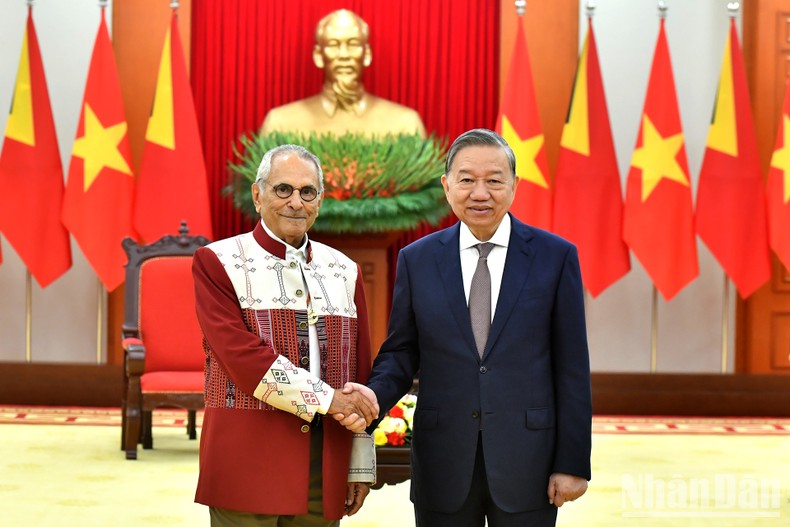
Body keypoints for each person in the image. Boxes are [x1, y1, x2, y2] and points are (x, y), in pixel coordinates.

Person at [338, 128, 592, 526]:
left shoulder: (554, 257)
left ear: (514, 186)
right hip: (444, 460)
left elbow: (572, 367)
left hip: (529, 460)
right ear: (446, 185)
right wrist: (371, 398)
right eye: (467, 180)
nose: (480, 193)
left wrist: (573, 462)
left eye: (494, 180)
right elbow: (402, 353)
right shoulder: (417, 260)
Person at [192, 144, 380, 526]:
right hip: (245, 459)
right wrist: (330, 401)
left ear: (320, 201)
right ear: (258, 195)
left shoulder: (345, 270)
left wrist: (359, 466)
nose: (296, 202)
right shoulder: (218, 262)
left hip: (324, 460)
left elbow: (359, 373)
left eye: (307, 192)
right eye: (283, 190)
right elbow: (244, 360)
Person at [261, 9, 426, 138]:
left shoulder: (406, 125)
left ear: (366, 54)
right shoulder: (280, 124)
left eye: (353, 44)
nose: (344, 55)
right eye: (333, 45)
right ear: (318, 55)